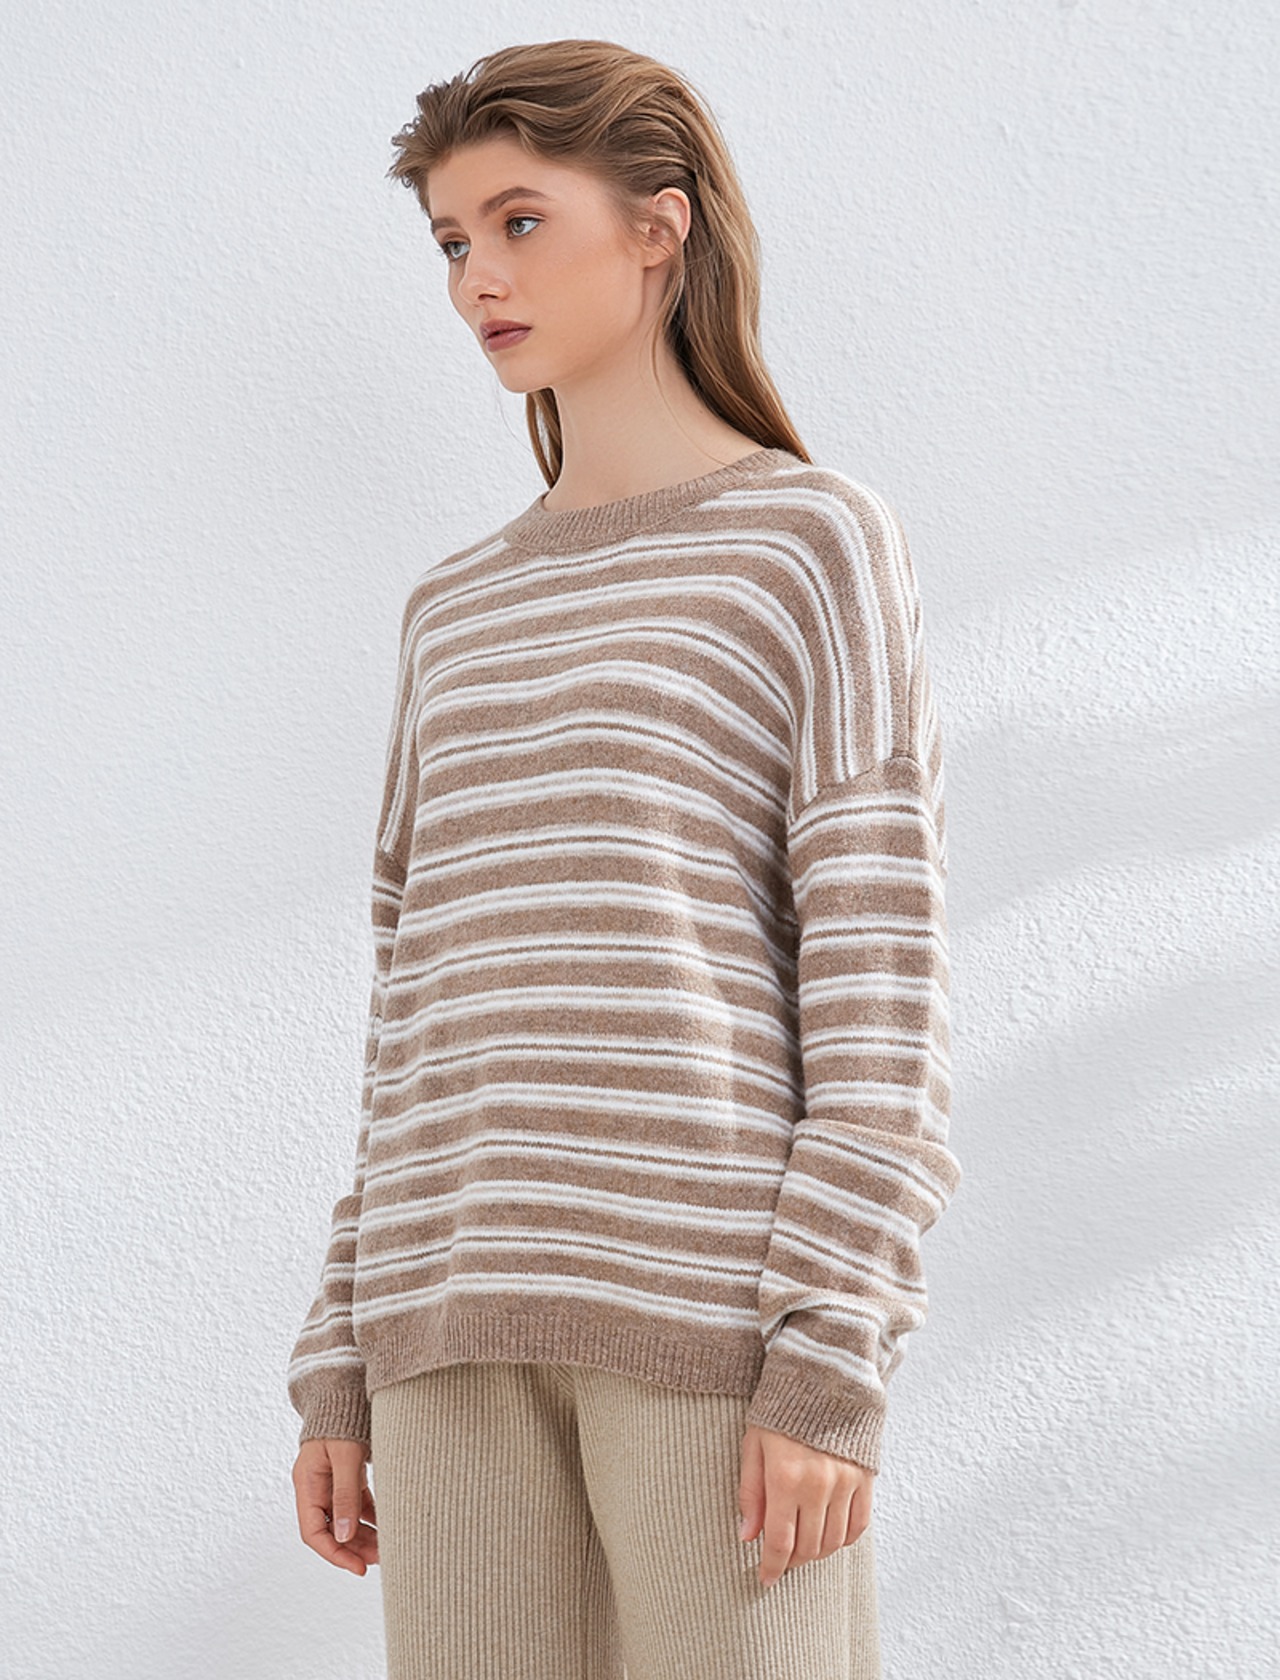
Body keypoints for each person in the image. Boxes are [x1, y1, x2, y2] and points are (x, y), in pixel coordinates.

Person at [286, 37, 961, 1680]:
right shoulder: (453, 611)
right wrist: (340, 1348)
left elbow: (881, 987)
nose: (476, 279)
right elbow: (417, 1003)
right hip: (447, 1330)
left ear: (659, 227)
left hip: (709, 1323)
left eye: (519, 222)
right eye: (452, 240)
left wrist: (831, 1349)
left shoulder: (810, 544)